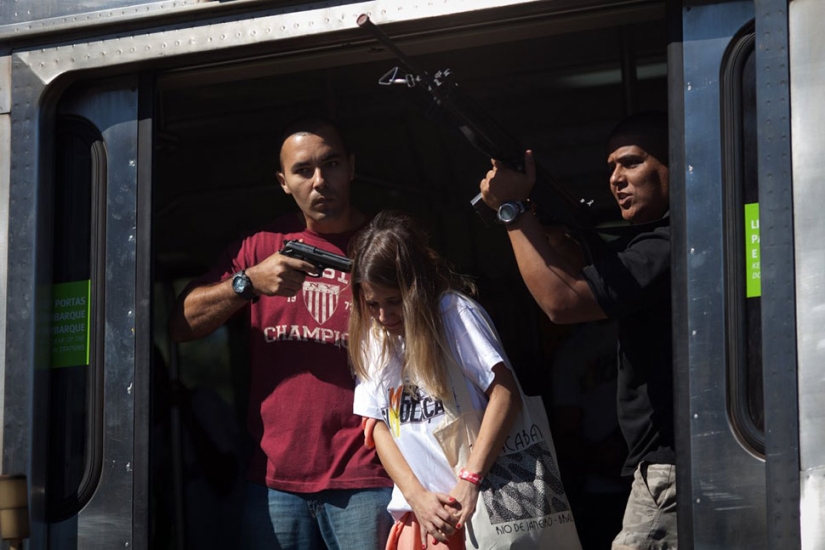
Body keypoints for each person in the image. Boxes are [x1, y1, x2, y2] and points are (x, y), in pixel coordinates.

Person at [168, 117, 393, 550]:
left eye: (331, 165)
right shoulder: (259, 247)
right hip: (273, 482)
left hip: (370, 474)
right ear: (284, 182)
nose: (320, 181)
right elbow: (180, 325)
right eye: (303, 170)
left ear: (352, 167)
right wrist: (247, 283)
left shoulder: (384, 246)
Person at [478, 110, 675, 550]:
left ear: (675, 160)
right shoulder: (650, 245)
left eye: (632, 162)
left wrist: (513, 212)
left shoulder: (664, 247)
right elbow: (581, 279)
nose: (617, 179)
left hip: (670, 472)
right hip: (659, 468)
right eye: (611, 169)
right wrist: (550, 234)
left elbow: (562, 301)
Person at [348, 211, 523, 550]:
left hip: (483, 508)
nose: (384, 315)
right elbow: (375, 425)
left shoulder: (453, 313)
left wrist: (471, 478)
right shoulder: (373, 334)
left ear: (416, 286)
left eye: (394, 301)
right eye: (373, 304)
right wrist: (416, 497)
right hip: (421, 517)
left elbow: (505, 393)